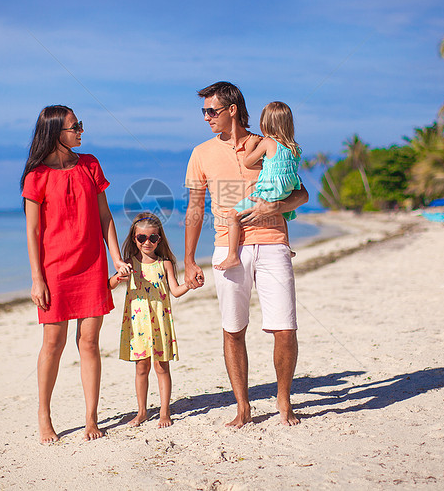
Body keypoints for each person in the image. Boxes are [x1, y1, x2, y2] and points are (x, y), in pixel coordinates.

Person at [183, 81, 308, 427]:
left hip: (273, 241)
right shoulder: (201, 153)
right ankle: (243, 407)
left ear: (232, 110)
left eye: (212, 110)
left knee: (285, 328)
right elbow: (195, 208)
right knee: (233, 329)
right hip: (227, 247)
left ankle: (284, 400)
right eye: (204, 111)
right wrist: (189, 260)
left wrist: (275, 205)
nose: (206, 117)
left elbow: (303, 194)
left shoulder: (266, 143)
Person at [21, 105, 130, 443]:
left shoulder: (90, 165)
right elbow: (33, 232)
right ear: (57, 133)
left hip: (91, 265)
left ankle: (91, 419)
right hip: (54, 270)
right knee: (53, 343)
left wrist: (115, 257)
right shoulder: (36, 176)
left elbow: (105, 216)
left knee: (90, 343)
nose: (81, 130)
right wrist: (37, 278)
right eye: (75, 126)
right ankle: (44, 415)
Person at [109, 213, 189, 428]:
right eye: (141, 238)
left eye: (152, 238)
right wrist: (119, 276)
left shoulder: (165, 264)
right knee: (141, 368)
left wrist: (190, 284)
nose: (147, 242)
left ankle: (164, 411)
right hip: (138, 324)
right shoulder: (128, 264)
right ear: (134, 238)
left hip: (160, 321)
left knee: (162, 367)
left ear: (159, 239)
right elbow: (109, 285)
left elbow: (175, 290)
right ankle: (142, 411)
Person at [214, 101, 302, 271]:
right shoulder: (294, 148)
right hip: (287, 190)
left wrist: (252, 143)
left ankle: (232, 256)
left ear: (265, 123)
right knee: (281, 214)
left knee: (232, 215)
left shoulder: (268, 142)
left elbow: (248, 162)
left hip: (269, 191)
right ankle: (287, 247)